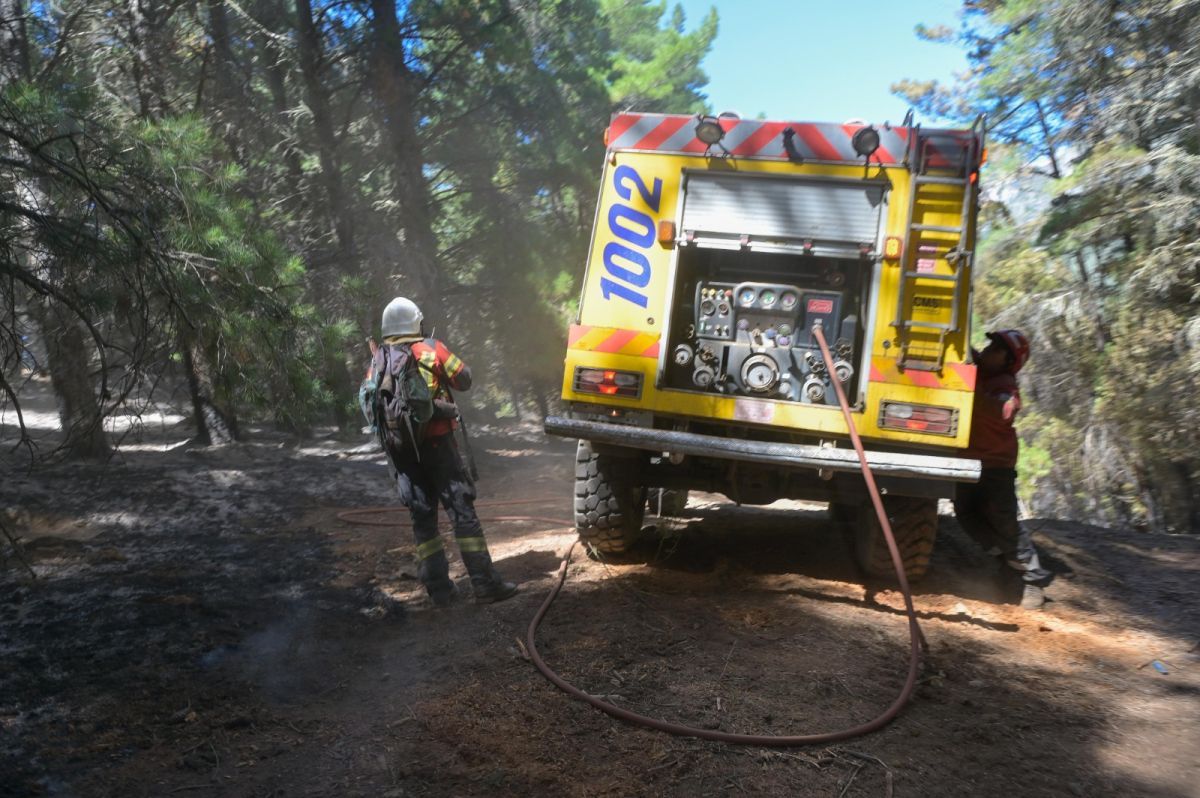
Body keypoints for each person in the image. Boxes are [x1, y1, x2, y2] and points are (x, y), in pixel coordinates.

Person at [363, 296, 518, 607]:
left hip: (402, 454)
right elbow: (464, 379)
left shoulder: (377, 361)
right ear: (415, 323)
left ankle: (439, 590)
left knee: (423, 518)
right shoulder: (430, 349)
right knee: (461, 512)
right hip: (438, 446)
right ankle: (485, 584)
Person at [954, 329, 1051, 610]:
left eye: (995, 348)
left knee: (1004, 521)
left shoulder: (1004, 385)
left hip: (996, 465)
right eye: (990, 345)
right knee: (966, 515)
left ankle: (1032, 580)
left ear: (1008, 361)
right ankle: (1006, 562)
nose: (987, 350)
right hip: (968, 462)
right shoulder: (983, 374)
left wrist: (972, 393)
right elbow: (966, 351)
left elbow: (1006, 409)